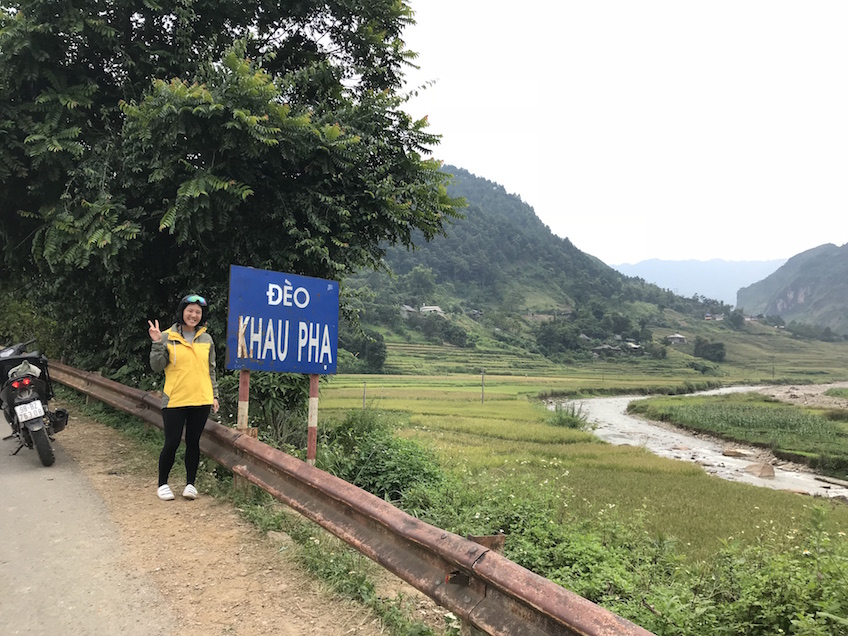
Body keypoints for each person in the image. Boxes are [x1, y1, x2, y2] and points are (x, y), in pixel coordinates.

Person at [148, 294, 219, 501]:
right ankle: (162, 484)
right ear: (182, 311)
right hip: (175, 399)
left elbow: (211, 369)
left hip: (201, 399)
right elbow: (156, 367)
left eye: (198, 312)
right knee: (171, 442)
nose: (194, 315)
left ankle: (190, 484)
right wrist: (156, 342)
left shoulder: (206, 338)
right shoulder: (166, 336)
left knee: (193, 442)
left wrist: (214, 395)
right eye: (190, 311)